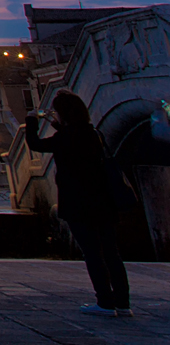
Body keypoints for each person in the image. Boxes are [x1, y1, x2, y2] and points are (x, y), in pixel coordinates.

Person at [26, 91, 134, 317]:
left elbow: (35, 144)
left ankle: (104, 301)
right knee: (112, 253)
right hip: (104, 200)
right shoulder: (94, 134)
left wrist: (31, 121)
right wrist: (58, 125)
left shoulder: (65, 138)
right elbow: (75, 138)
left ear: (63, 113)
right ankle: (123, 303)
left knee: (93, 254)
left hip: (78, 202)